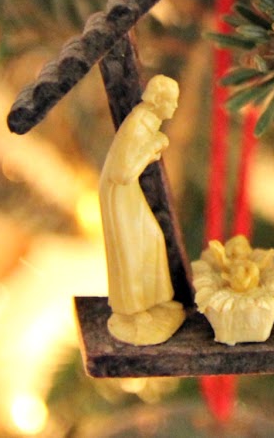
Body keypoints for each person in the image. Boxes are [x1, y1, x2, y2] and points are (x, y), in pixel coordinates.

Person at [99, 75, 185, 345]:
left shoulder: (150, 121)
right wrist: (152, 147)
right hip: (119, 193)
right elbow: (123, 173)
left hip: (128, 190)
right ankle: (133, 312)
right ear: (157, 100)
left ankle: (156, 301)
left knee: (153, 238)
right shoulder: (139, 124)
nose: (175, 106)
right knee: (130, 250)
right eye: (171, 100)